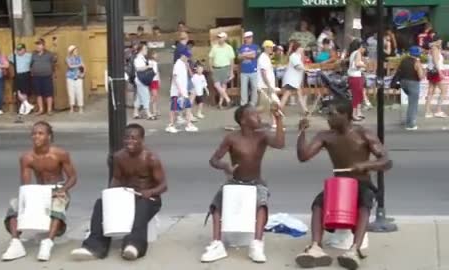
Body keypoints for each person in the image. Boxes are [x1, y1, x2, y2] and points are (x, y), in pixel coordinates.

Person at [295, 99, 392, 269]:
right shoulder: (325, 136)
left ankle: (354, 250)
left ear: (345, 115)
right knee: (318, 204)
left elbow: (386, 161)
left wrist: (365, 165)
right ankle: (316, 247)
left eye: (332, 114)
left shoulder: (364, 134)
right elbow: (303, 156)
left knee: (364, 203)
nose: (328, 118)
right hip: (339, 185)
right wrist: (302, 132)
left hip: (362, 183)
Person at [200, 103, 285, 263]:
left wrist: (278, 119)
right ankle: (217, 243)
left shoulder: (262, 135)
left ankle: (257, 243)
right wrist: (225, 166)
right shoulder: (232, 138)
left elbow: (280, 144)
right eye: (254, 115)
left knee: (262, 205)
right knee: (216, 205)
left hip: (256, 182)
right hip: (234, 181)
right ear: (243, 121)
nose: (259, 117)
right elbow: (214, 160)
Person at [71, 124, 167, 261]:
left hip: (149, 198)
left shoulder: (151, 158)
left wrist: (150, 192)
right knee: (101, 203)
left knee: (142, 206)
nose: (130, 141)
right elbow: (117, 178)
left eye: (134, 138)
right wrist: (111, 195)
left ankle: (133, 245)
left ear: (142, 140)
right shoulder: (119, 157)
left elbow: (163, 186)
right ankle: (94, 246)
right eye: (127, 138)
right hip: (127, 195)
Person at [1, 121, 77, 262]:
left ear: (49, 136)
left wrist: (63, 189)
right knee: (14, 204)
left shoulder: (60, 154)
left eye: (41, 133)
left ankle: (48, 242)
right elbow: (25, 185)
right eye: (34, 133)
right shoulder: (26, 158)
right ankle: (16, 243)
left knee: (58, 203)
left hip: (57, 188)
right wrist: (26, 199)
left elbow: (73, 177)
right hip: (38, 190)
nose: (36, 136)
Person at [165, 52, 198, 133]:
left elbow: (189, 75)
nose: (188, 59)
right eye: (187, 57)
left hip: (183, 90)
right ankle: (171, 125)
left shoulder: (184, 64)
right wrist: (179, 90)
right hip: (177, 91)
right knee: (174, 108)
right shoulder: (178, 64)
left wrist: (187, 66)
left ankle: (188, 124)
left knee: (188, 107)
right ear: (183, 56)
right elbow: (174, 78)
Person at [398, 46, 425, 130]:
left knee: (411, 102)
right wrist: (424, 71)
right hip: (413, 83)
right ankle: (410, 124)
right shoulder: (417, 62)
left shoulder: (403, 60)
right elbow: (420, 76)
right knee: (413, 104)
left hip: (403, 82)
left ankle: (408, 120)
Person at [209, 32, 236, 109]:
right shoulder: (214, 47)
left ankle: (220, 104)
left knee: (223, 86)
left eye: (221, 37)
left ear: (225, 38)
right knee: (216, 85)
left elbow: (232, 60)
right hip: (216, 68)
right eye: (218, 37)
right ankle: (228, 100)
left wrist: (231, 71)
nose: (219, 39)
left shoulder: (229, 48)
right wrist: (211, 68)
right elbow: (210, 58)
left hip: (225, 68)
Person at [31, 38, 57, 115]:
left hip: (47, 76)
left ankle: (49, 110)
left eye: (39, 44)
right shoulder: (34, 54)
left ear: (43, 45)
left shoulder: (49, 54)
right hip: (36, 77)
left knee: (49, 93)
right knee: (38, 94)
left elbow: (54, 62)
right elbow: (31, 64)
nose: (38, 46)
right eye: (37, 45)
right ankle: (41, 109)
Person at [282, 41, 308, 115]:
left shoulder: (298, 56)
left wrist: (302, 55)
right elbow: (297, 66)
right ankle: (280, 109)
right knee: (287, 94)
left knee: (300, 94)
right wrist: (305, 69)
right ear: (297, 48)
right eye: (300, 47)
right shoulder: (293, 56)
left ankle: (305, 110)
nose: (302, 48)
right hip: (291, 80)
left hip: (296, 80)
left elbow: (302, 62)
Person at [425, 36, 447, 118]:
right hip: (436, 72)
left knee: (431, 91)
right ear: (436, 41)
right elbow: (435, 61)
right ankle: (438, 110)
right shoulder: (434, 48)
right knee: (444, 90)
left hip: (432, 71)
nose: (440, 43)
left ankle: (427, 111)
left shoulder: (433, 48)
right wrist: (440, 72)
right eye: (439, 41)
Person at [9, 43, 34, 115]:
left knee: (24, 92)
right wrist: (15, 52)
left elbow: (33, 62)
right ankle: (27, 105)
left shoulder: (29, 56)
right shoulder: (14, 56)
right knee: (17, 91)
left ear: (24, 49)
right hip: (17, 75)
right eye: (18, 50)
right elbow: (9, 57)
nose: (19, 51)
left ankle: (24, 108)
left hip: (26, 74)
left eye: (20, 50)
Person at [133, 43, 155, 120]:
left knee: (139, 96)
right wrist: (148, 66)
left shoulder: (142, 58)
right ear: (141, 50)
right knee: (146, 96)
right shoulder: (138, 59)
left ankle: (135, 112)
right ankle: (148, 113)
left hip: (142, 79)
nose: (146, 50)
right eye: (145, 49)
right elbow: (138, 69)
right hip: (140, 79)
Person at [347, 39, 367, 121]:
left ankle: (357, 112)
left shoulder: (352, 53)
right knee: (356, 96)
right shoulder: (358, 53)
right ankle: (354, 114)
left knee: (358, 95)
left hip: (352, 76)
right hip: (356, 77)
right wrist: (364, 65)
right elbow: (357, 64)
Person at [238, 31, 259, 106]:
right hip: (244, 71)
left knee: (254, 87)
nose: (250, 39)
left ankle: (253, 103)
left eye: (251, 37)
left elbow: (254, 56)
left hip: (253, 70)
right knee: (244, 89)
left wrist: (244, 55)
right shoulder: (241, 47)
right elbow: (239, 57)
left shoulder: (255, 46)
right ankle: (244, 104)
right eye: (248, 37)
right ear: (245, 38)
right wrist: (249, 54)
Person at [65, 45, 85, 113]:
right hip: (70, 77)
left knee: (79, 92)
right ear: (71, 52)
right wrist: (79, 65)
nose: (76, 52)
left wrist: (83, 73)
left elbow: (83, 66)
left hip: (78, 77)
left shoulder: (79, 58)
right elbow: (70, 66)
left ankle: (80, 107)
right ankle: (72, 108)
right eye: (75, 50)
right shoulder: (68, 58)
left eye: (76, 50)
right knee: (71, 93)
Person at [148, 50, 160, 117]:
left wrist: (159, 79)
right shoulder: (150, 62)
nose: (156, 55)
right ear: (152, 55)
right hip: (152, 80)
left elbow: (157, 72)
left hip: (156, 80)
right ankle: (148, 107)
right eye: (155, 54)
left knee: (155, 96)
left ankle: (155, 110)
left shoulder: (155, 62)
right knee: (154, 95)